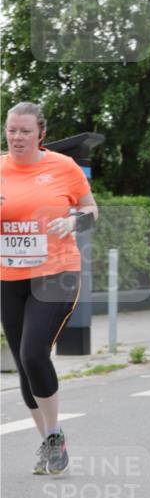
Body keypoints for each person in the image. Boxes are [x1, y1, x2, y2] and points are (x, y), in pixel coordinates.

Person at [0, 102, 98, 475]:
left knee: (33, 352)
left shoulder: (62, 167)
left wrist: (74, 222)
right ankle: (48, 441)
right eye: (11, 130)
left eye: (25, 131)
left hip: (56, 273)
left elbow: (91, 210)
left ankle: (54, 437)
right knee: (25, 367)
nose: (17, 137)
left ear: (41, 134)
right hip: (9, 277)